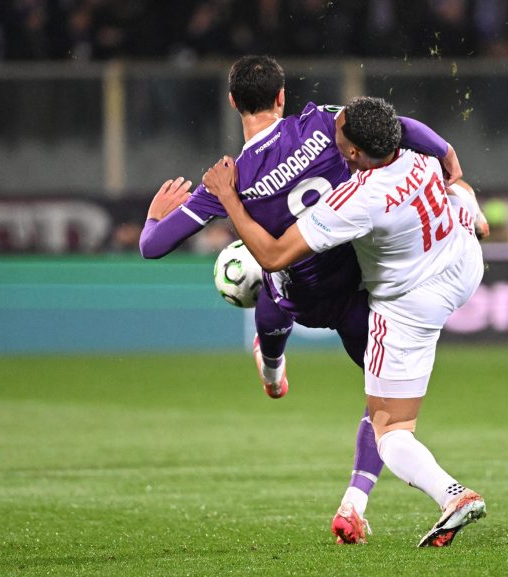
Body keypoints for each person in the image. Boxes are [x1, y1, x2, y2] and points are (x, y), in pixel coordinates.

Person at [140, 55, 464, 544]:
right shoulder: (321, 125)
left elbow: (153, 246)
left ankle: (272, 369)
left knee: (270, 292)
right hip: (358, 291)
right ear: (281, 95)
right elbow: (398, 126)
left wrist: (154, 216)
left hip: (299, 298)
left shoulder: (231, 178)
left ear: (232, 102)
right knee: (385, 408)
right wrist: (447, 155)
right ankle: (354, 501)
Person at [202, 96, 486, 548]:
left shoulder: (357, 199)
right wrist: (469, 203)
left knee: (390, 429)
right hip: (463, 263)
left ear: (353, 152)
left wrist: (229, 199)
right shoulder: (420, 158)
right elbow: (450, 173)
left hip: (412, 306)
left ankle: (454, 496)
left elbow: (273, 256)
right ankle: (355, 503)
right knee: (459, 198)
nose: (328, 132)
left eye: (337, 132)